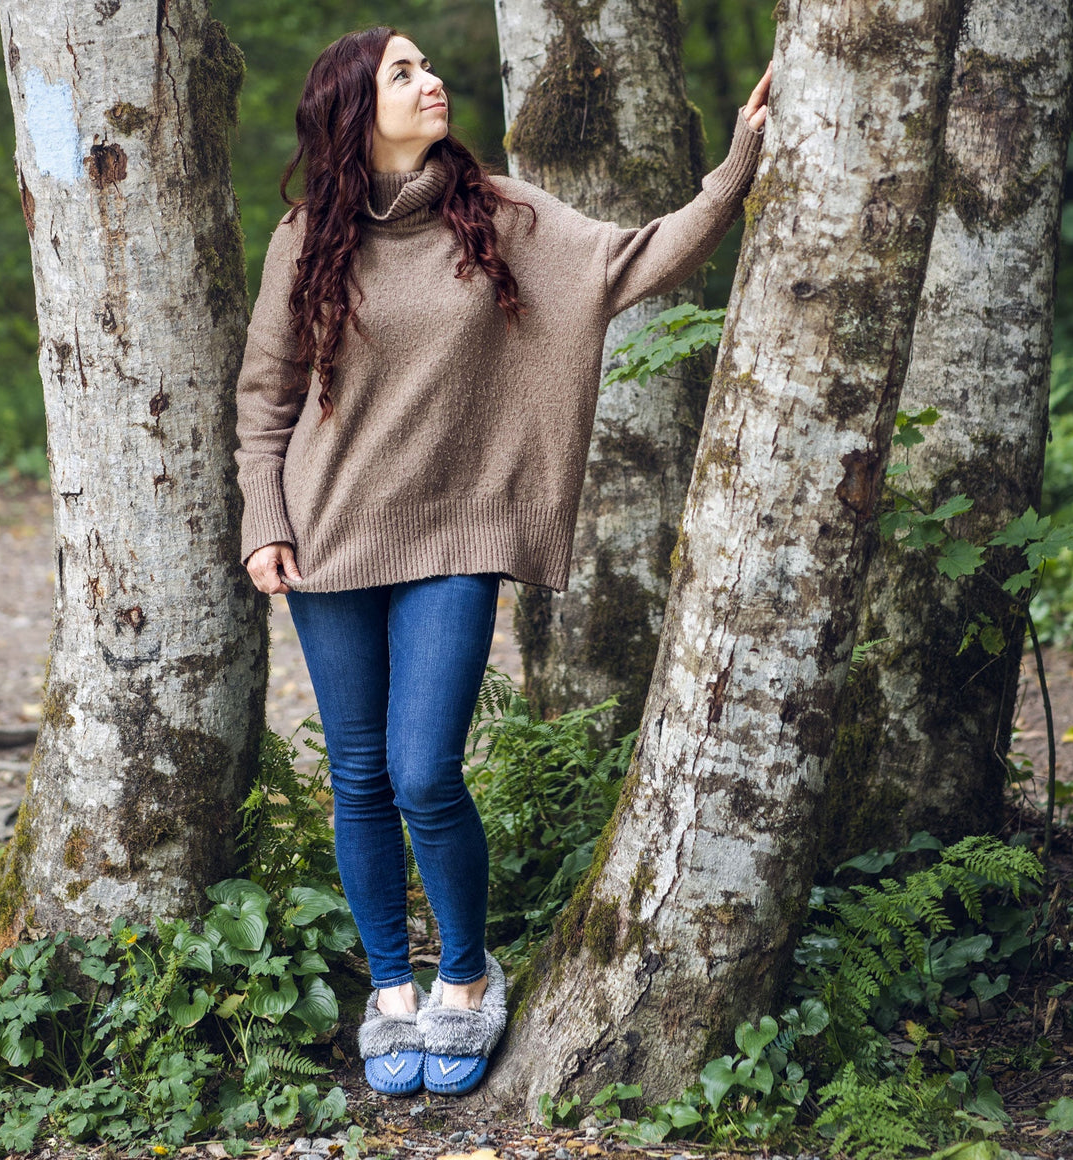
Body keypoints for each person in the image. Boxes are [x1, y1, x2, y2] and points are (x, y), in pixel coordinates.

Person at [235, 26, 770, 1098]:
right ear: (353, 106)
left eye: (427, 65)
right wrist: (263, 517)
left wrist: (738, 163)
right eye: (402, 72)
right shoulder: (306, 238)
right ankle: (392, 985)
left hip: (457, 532)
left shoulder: (503, 214)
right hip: (329, 532)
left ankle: (467, 976)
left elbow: (634, 258)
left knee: (422, 768)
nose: (429, 81)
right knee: (357, 775)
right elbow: (264, 399)